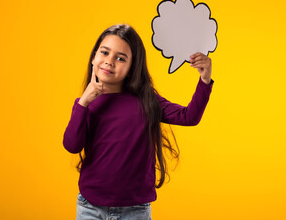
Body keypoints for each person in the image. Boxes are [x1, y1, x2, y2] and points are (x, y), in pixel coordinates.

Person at [63, 24, 214, 220]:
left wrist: (205, 79)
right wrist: (83, 102)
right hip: (90, 207)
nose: (109, 62)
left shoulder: (147, 100)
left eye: (120, 58)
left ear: (132, 66)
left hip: (135, 211)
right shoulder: (85, 104)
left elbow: (189, 117)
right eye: (105, 52)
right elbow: (72, 146)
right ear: (94, 57)